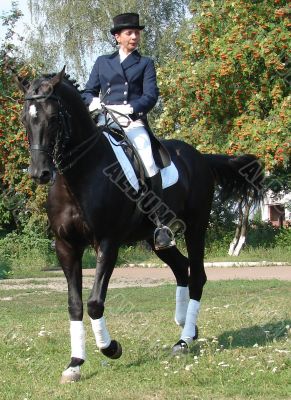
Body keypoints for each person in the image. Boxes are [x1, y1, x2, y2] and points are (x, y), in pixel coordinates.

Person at [82, 12, 175, 249]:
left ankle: (159, 222)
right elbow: (88, 91)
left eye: (137, 33)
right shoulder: (103, 62)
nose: (134, 37)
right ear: (117, 37)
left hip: (132, 122)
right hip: (104, 121)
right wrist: (92, 102)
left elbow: (150, 96)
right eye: (129, 33)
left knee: (148, 158)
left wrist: (129, 108)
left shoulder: (145, 63)